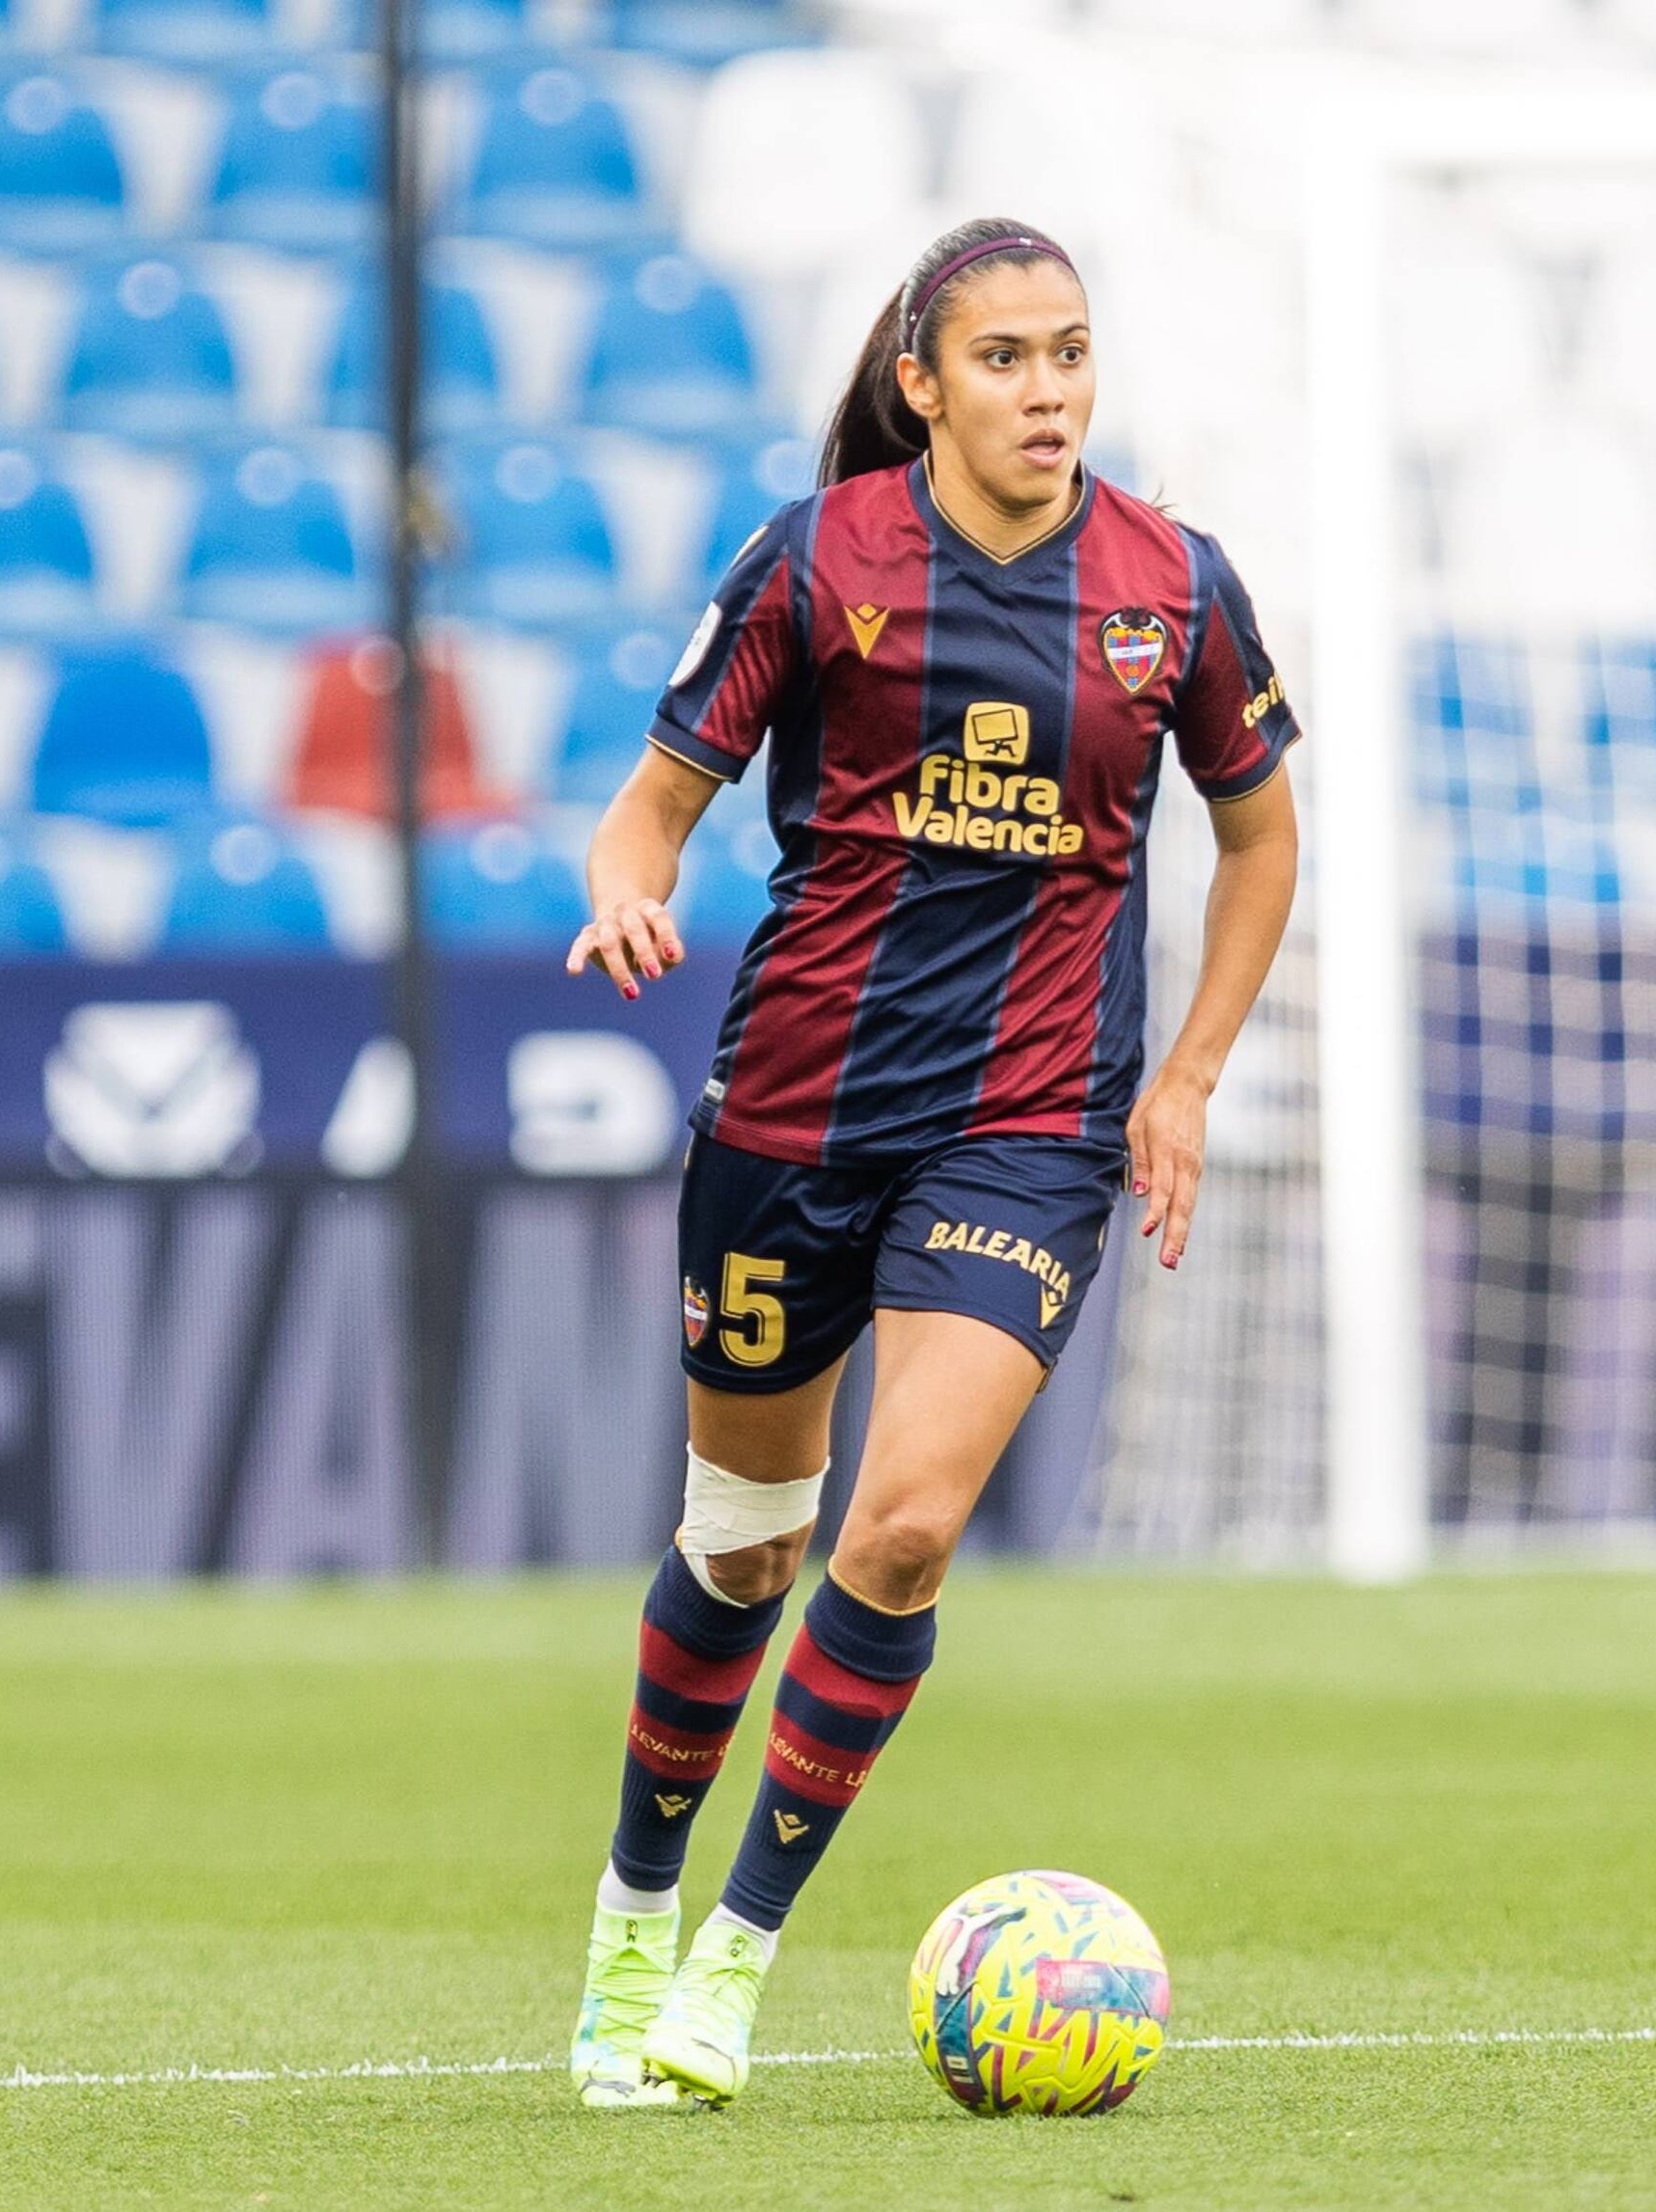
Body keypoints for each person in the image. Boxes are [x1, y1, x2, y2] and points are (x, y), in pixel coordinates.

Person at [553, 216, 1301, 2109]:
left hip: (1033, 1126)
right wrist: (627, 898)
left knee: (895, 1530)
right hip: (794, 1115)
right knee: (743, 1549)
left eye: (1068, 354)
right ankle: (631, 1908)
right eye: (1004, 360)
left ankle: (726, 1964)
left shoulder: (1172, 588)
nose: (1046, 390)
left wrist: (1188, 1075)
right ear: (921, 384)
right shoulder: (818, 563)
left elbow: (1261, 836)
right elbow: (645, 818)